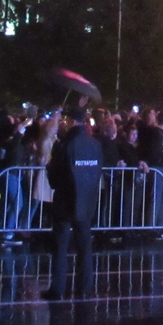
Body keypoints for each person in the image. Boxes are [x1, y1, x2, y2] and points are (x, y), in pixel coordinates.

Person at [43, 107, 103, 301]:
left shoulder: (64, 145)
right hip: (87, 201)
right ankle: (85, 287)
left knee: (60, 246)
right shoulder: (94, 144)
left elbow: (55, 179)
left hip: (65, 200)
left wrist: (50, 167)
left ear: (70, 122)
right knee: (85, 245)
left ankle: (58, 288)